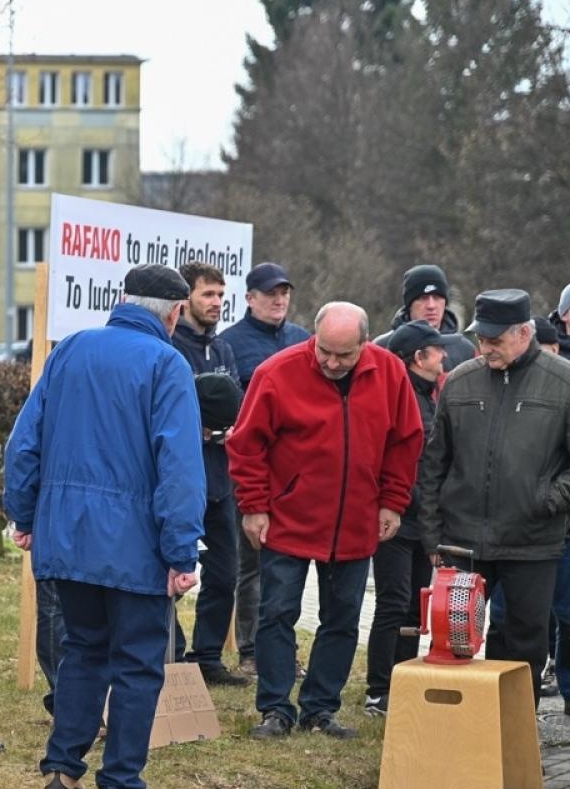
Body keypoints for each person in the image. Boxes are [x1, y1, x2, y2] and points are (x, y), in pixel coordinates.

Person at [5, 264, 204, 789]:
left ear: (121, 300)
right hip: (136, 546)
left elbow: (25, 442)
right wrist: (181, 550)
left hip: (67, 537)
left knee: (83, 651)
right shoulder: (168, 364)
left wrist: (24, 512)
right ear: (176, 313)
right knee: (139, 665)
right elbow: (181, 468)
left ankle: (63, 769)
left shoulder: (70, 349)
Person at [228, 303, 424, 740]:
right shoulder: (277, 373)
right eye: (324, 353)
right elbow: (246, 444)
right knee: (277, 613)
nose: (333, 363)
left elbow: (405, 442)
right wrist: (255, 505)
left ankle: (320, 708)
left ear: (364, 345)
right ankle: (276, 708)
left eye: (344, 355)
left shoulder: (390, 374)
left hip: (357, 520)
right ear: (313, 339)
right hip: (288, 518)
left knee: (342, 618)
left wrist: (392, 502)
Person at [419, 289, 570, 706]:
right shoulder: (462, 381)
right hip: (463, 542)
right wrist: (433, 537)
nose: (484, 348)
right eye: (480, 339)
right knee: (456, 643)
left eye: (494, 340)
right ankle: (463, 733)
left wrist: (546, 498)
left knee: (524, 646)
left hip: (532, 542)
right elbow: (434, 463)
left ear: (524, 333)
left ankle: (514, 737)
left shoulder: (563, 382)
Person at [217, 263, 310, 677]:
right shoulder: (230, 344)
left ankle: (283, 649)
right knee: (252, 564)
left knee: (291, 565)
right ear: (250, 297)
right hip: (253, 470)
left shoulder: (303, 340)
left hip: (298, 473)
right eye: (270, 293)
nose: (279, 300)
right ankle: (252, 651)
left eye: (285, 293)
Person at [168, 260, 246, 688]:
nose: (216, 303)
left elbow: (235, 403)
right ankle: (172, 652)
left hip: (221, 475)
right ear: (186, 299)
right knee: (172, 572)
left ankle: (208, 656)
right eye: (207, 295)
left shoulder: (224, 349)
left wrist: (228, 428)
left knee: (224, 572)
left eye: (220, 295)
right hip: (183, 479)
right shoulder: (171, 347)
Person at [364, 321, 444, 716]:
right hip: (394, 517)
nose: (443, 357)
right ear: (418, 357)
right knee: (392, 604)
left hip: (422, 521)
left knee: (415, 606)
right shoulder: (398, 396)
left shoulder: (431, 395)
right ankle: (379, 688)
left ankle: (405, 679)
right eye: (437, 351)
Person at [372, 265, 476, 371]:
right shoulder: (381, 348)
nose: (431, 305)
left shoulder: (465, 350)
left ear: (445, 303)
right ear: (409, 305)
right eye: (423, 298)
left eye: (437, 297)